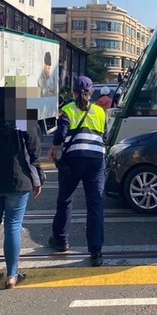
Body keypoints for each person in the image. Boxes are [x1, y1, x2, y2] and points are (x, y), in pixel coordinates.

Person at [0, 87, 44, 289]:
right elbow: (32, 152)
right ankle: (12, 276)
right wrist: (37, 180)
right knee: (13, 226)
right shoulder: (22, 118)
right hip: (17, 179)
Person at [47, 76, 106, 267]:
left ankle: (61, 240)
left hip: (74, 159)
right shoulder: (99, 111)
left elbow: (60, 134)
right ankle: (96, 252)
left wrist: (55, 148)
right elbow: (104, 133)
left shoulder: (67, 110)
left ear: (73, 92)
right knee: (95, 204)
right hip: (96, 160)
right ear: (92, 92)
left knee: (65, 199)